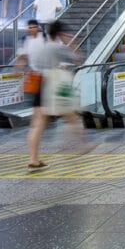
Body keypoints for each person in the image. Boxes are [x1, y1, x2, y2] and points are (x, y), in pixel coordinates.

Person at [26, 21, 85, 170]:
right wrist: (72, 42)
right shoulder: (58, 47)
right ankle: (82, 145)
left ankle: (33, 159)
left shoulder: (42, 47)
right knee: (69, 115)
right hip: (52, 86)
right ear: (60, 34)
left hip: (38, 83)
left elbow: (37, 65)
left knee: (37, 124)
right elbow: (78, 58)